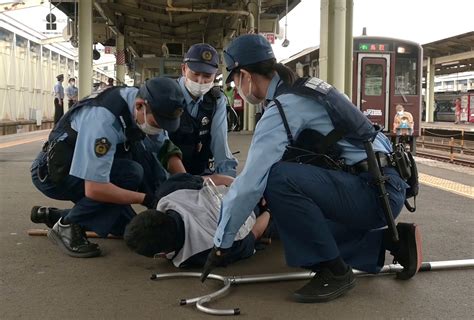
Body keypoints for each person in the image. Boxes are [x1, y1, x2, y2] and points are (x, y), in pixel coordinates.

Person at [200, 34, 422, 303]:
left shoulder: (283, 108)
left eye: (234, 81)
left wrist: (222, 243)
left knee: (278, 180)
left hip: (374, 193)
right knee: (295, 218)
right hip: (386, 185)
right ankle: (391, 241)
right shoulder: (306, 89)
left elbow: (250, 183)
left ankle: (335, 271)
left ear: (245, 75)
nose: (236, 89)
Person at [30, 77, 186, 258]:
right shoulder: (103, 120)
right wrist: (146, 199)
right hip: (55, 174)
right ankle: (66, 225)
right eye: (157, 124)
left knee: (128, 228)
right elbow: (95, 189)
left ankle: (53, 215)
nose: (159, 129)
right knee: (132, 174)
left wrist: (186, 183)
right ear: (140, 106)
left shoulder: (145, 103)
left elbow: (164, 150)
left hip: (88, 168)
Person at [124, 173, 270, 268]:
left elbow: (254, 234)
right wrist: (242, 183)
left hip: (256, 209)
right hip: (243, 186)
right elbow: (214, 178)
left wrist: (270, 210)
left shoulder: (202, 253)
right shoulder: (167, 191)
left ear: (161, 254)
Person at [170, 43, 238, 176]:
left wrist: (228, 179)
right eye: (195, 74)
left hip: (200, 171)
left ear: (215, 75)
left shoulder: (216, 100)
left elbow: (220, 143)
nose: (200, 81)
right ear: (184, 69)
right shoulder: (167, 94)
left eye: (207, 76)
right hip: (165, 172)